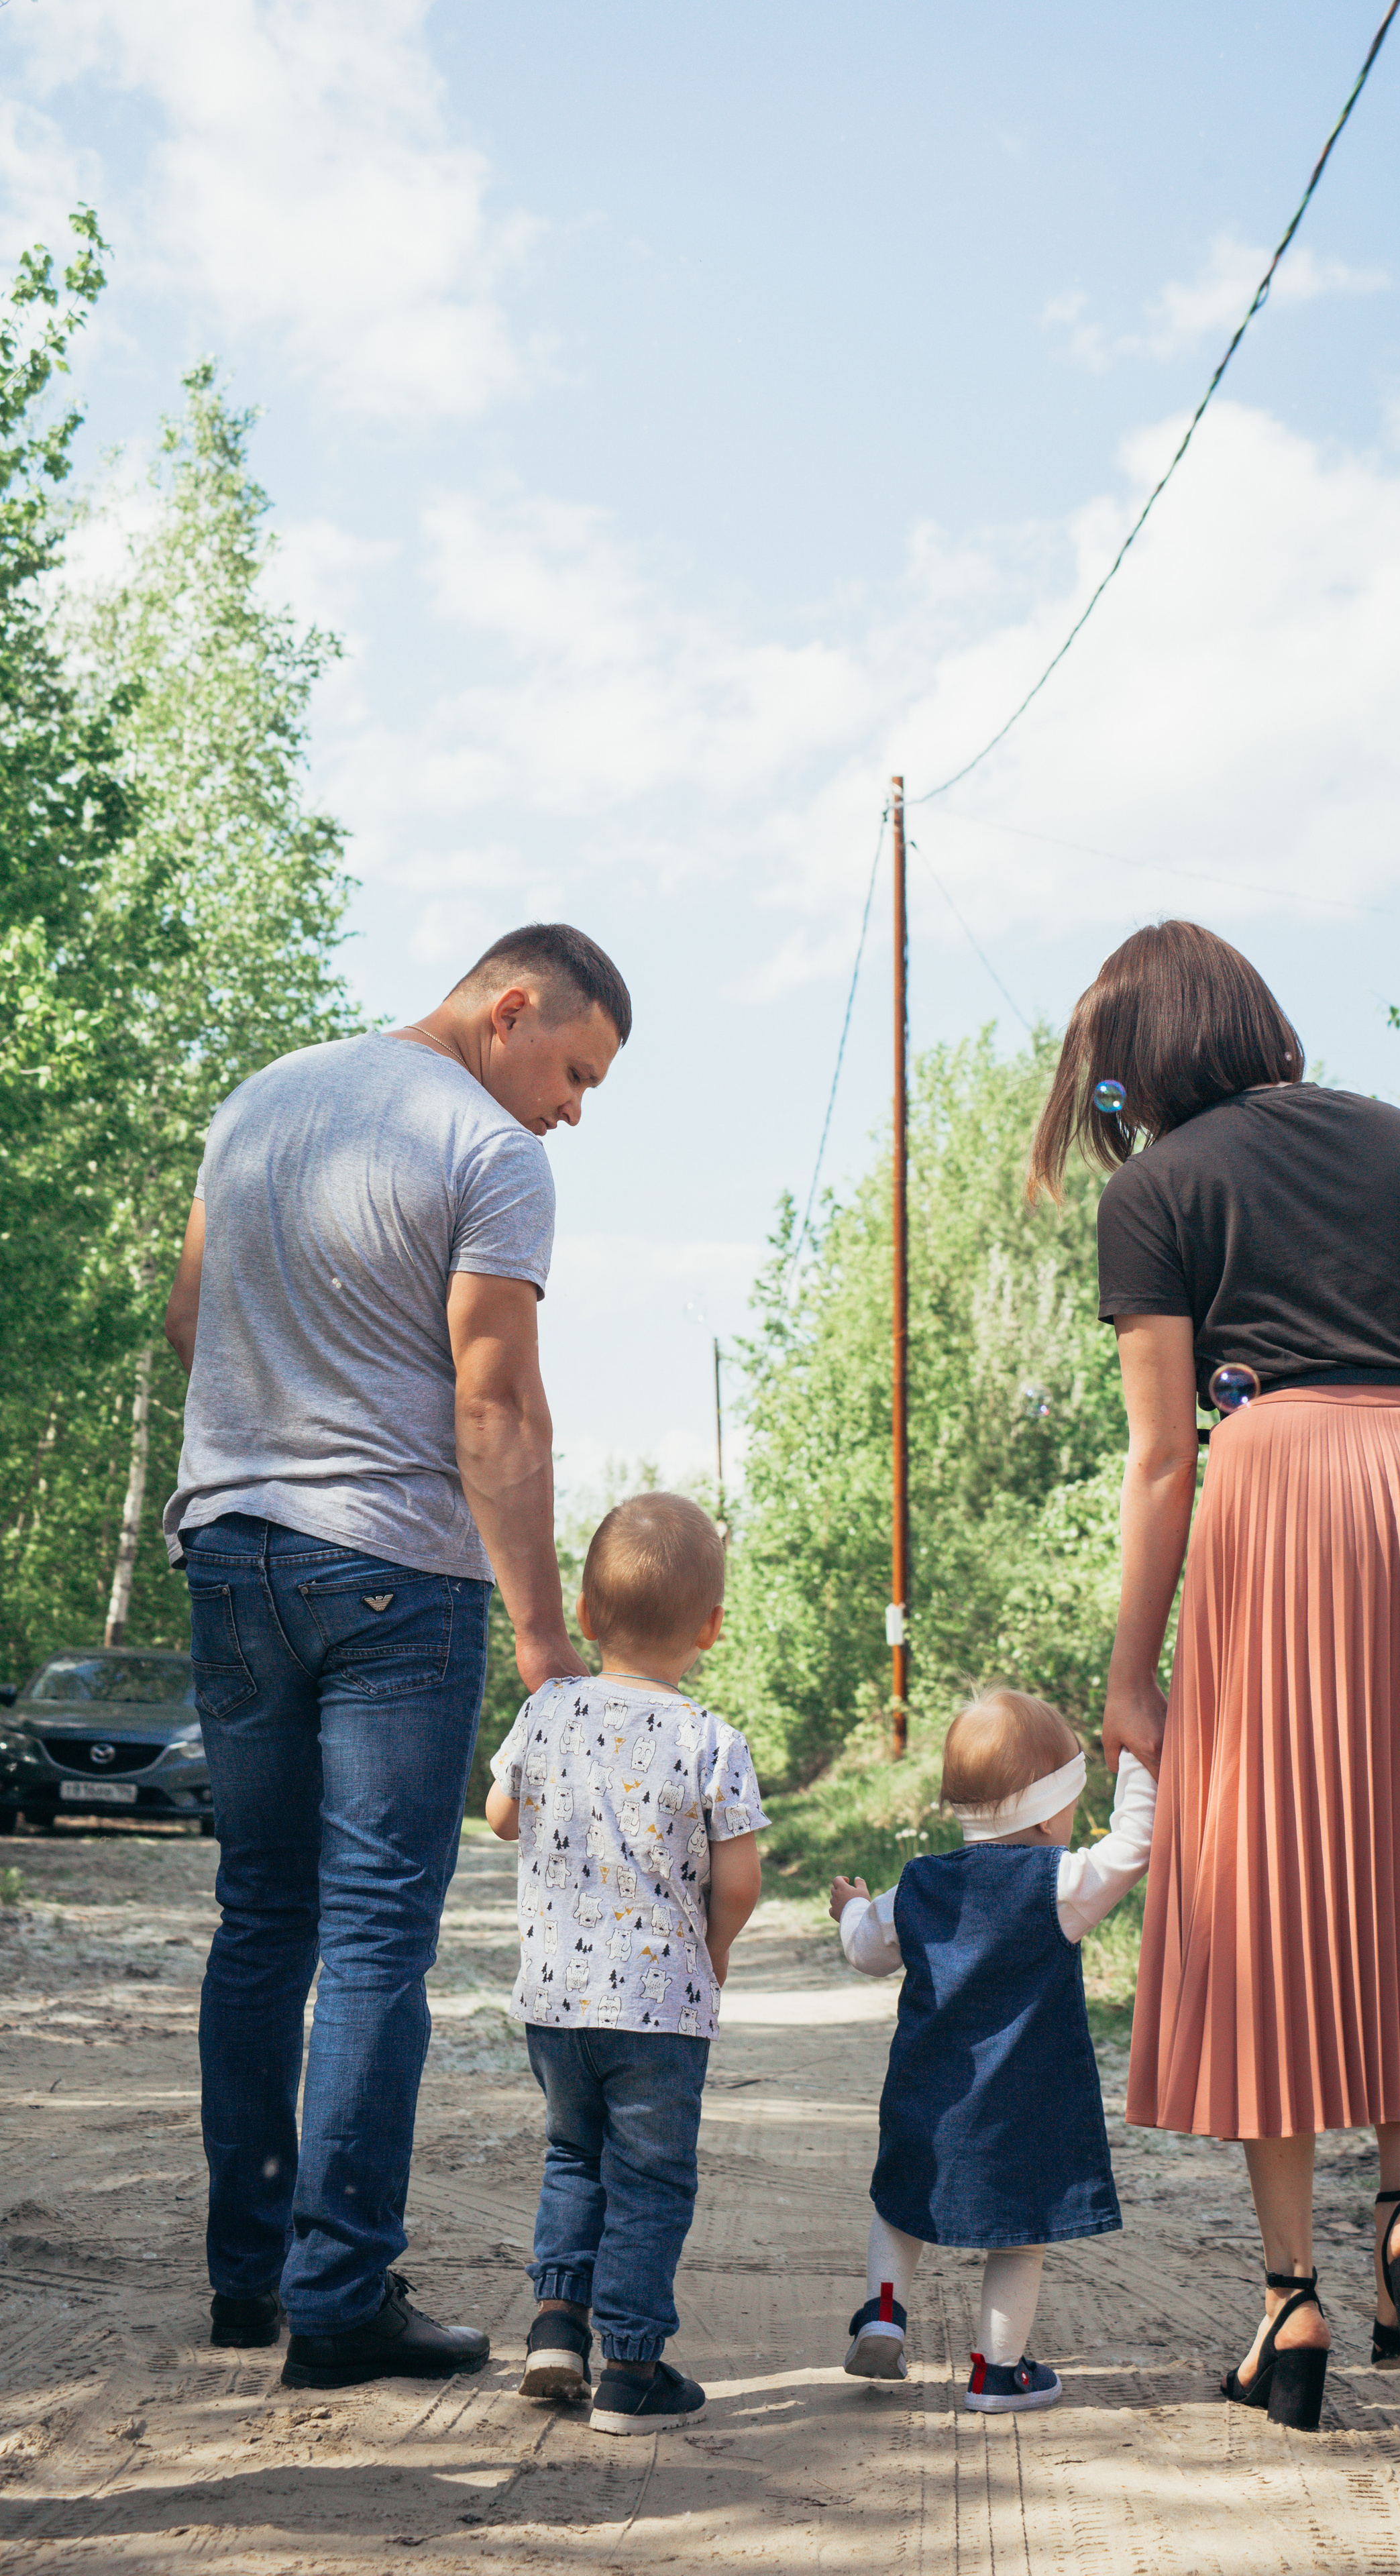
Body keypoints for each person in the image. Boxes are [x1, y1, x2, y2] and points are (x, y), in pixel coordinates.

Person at [1027, 920, 1400, 2432]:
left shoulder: (1154, 1191)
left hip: (1285, 1498)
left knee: (1266, 1889)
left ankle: (1287, 2305)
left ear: (1140, 1063)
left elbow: (1163, 1461)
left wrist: (1128, 1672)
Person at [162, 922, 631, 2392]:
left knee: (260, 1921)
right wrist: (547, 1636)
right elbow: (496, 1415)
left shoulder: (260, 1097)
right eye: (573, 1069)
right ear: (508, 1011)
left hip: (230, 1552)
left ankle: (249, 2285)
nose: (572, 1108)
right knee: (373, 1934)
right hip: (392, 1578)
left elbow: (190, 1324)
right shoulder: (489, 1155)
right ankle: (341, 2298)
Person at [485, 1491, 765, 2432]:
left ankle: (556, 2329)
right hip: (661, 2008)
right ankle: (634, 2370)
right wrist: (714, 1949)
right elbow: (738, 1879)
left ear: (587, 1617)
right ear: (712, 1628)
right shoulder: (711, 1741)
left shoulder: (549, 1710)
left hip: (557, 2002)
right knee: (648, 2180)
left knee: (574, 2154)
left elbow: (498, 1813)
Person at [831, 1689, 1155, 2414]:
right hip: (1023, 2110)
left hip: (925, 2095)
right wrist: (1140, 1762)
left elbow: (863, 1952)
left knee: (899, 2204)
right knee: (1020, 2236)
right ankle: (995, 2373)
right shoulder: (1060, 1886)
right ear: (1047, 1811)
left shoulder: (917, 1884)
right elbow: (1133, 1846)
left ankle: (884, 2310)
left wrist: (852, 1903)